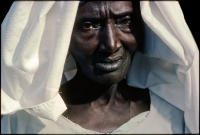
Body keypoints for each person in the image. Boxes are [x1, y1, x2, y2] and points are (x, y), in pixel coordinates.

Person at [1, 1, 199, 134]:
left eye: (125, 22)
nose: (111, 44)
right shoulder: (24, 123)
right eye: (89, 25)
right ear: (62, 37)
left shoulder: (175, 117)